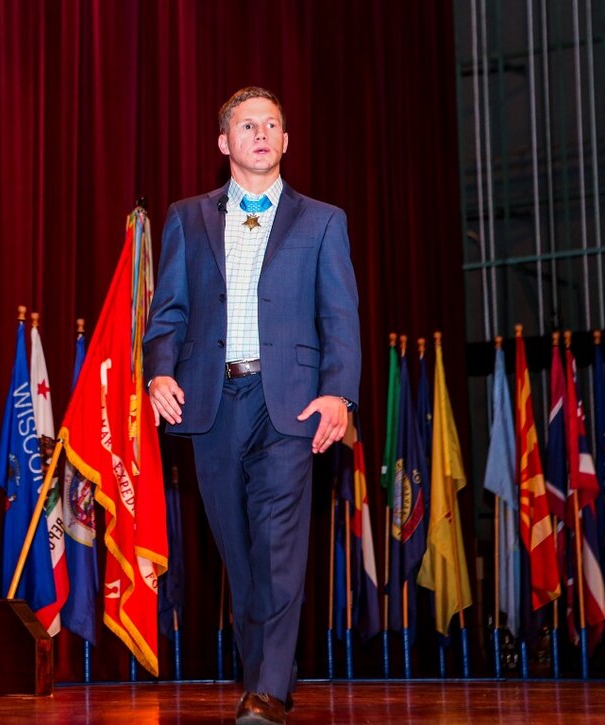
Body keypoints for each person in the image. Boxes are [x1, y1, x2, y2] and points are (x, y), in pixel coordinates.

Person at [144, 86, 360, 725]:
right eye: (247, 125)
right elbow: (169, 314)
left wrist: (339, 392)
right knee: (239, 553)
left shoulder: (322, 221)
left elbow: (339, 316)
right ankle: (270, 674)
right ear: (224, 143)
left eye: (272, 125)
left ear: (285, 141)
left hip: (291, 403)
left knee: (278, 543)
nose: (261, 133)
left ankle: (264, 692)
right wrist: (159, 373)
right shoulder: (187, 218)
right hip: (212, 402)